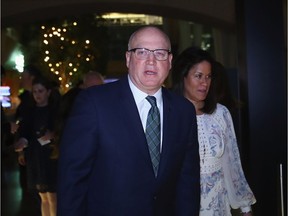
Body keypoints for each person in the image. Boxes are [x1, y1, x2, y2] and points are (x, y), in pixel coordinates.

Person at [57, 26, 200, 216]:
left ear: (170, 61)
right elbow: (72, 179)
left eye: (160, 53)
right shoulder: (94, 103)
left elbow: (187, 180)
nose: (151, 60)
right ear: (128, 58)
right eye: (141, 52)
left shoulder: (184, 111)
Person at [171, 46, 256, 216]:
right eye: (198, 76)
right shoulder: (168, 114)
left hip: (218, 207)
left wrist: (245, 208)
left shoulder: (220, 113)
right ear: (183, 76)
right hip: (181, 207)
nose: (205, 83)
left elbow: (231, 163)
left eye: (208, 77)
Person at [14, 76, 59, 216]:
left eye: (41, 91)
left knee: (52, 196)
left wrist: (53, 134)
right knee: (43, 197)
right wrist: (22, 143)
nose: (38, 95)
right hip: (36, 156)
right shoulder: (30, 112)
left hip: (51, 156)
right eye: (35, 92)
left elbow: (62, 129)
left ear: (48, 92)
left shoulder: (55, 111)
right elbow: (25, 132)